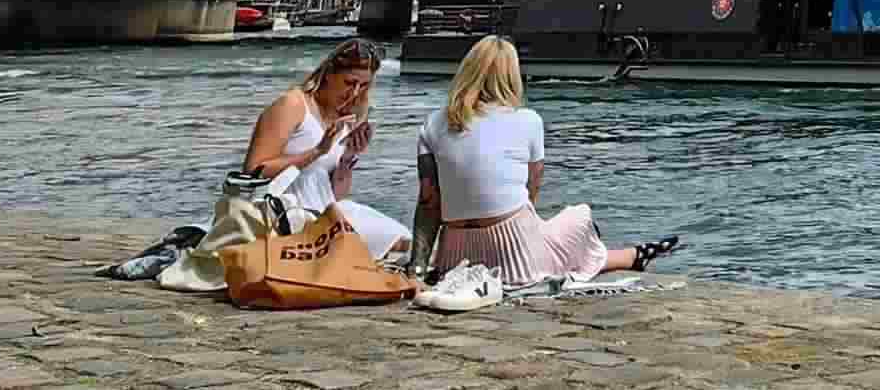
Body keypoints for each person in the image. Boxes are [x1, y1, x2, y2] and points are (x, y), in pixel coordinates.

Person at [414, 36, 679, 288]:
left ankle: (634, 256)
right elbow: (530, 194)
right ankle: (632, 256)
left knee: (546, 235)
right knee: (580, 218)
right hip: (516, 262)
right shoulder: (529, 120)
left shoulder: (433, 123)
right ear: (512, 76)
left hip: (454, 262)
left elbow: (428, 203)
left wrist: (416, 271)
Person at [242, 38, 409, 261]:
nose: (355, 92)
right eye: (349, 82)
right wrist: (317, 152)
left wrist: (348, 158)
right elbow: (253, 171)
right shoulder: (293, 104)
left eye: (363, 85)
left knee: (403, 241)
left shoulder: (348, 117)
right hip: (286, 213)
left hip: (325, 211)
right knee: (393, 244)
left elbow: (336, 194)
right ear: (329, 74)